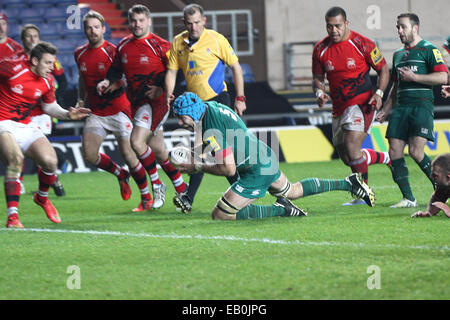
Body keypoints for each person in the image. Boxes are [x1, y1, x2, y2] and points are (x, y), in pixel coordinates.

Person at [171, 92, 375, 221]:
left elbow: (229, 169)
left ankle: (281, 209)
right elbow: (212, 142)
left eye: (181, 118)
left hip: (254, 169)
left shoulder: (211, 127)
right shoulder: (211, 108)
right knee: (292, 190)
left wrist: (196, 167)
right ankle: (349, 183)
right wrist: (195, 154)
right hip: (264, 156)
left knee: (221, 214)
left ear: (193, 112)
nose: (180, 123)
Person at [97, 4, 187, 211]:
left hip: (157, 102)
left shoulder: (161, 45)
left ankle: (157, 184)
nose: (137, 25)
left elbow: (178, 73)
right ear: (129, 22)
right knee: (158, 150)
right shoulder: (123, 47)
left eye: (141, 20)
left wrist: (161, 89)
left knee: (137, 142)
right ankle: (182, 187)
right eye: (133, 21)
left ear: (149, 21)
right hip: (137, 103)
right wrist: (106, 81)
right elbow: (115, 71)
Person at [164, 3, 245, 213]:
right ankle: (239, 193)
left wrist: (240, 97)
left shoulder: (217, 40)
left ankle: (193, 197)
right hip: (195, 108)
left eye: (197, 23)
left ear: (204, 21)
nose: (194, 27)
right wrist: (168, 93)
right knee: (207, 151)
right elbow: (172, 72)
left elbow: (236, 67)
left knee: (213, 151)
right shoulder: (178, 43)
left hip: (218, 101)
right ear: (184, 23)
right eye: (189, 24)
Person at [0, 42, 90, 228]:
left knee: (51, 161)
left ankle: (41, 198)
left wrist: (67, 114)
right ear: (34, 60)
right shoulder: (11, 68)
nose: (52, 68)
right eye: (48, 63)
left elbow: (48, 106)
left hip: (25, 124)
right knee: (16, 160)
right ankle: (13, 217)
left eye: (53, 63)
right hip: (2, 123)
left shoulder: (48, 80)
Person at [75, 10, 157, 211]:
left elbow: (129, 77)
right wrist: (80, 99)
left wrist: (116, 83)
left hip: (120, 110)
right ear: (85, 30)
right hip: (96, 112)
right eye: (89, 27)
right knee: (89, 155)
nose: (93, 31)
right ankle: (120, 174)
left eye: (96, 27)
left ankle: (146, 197)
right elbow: (82, 79)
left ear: (104, 29)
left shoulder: (114, 51)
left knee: (130, 156)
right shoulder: (79, 53)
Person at [312, 6, 390, 207]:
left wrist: (379, 93)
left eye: (338, 26)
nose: (334, 31)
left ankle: (362, 195)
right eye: (329, 27)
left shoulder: (362, 43)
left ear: (346, 24)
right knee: (347, 157)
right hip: (338, 108)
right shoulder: (320, 49)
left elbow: (383, 70)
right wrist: (319, 92)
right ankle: (383, 157)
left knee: (351, 144)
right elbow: (318, 78)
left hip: (362, 102)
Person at [376, 13, 448, 208]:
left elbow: (442, 77)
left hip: (421, 106)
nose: (399, 31)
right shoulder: (398, 54)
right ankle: (408, 198)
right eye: (397, 27)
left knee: (416, 152)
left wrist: (415, 78)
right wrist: (385, 109)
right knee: (394, 150)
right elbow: (395, 87)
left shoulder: (429, 50)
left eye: (403, 27)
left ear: (415, 28)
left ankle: (443, 191)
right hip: (400, 108)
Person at [20, 23, 68, 197]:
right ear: (23, 40)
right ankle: (24, 182)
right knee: (22, 150)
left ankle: (51, 180)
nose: (32, 39)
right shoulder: (18, 60)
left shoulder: (49, 59)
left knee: (39, 150)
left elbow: (63, 82)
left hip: (42, 112)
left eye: (35, 36)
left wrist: (54, 98)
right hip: (22, 112)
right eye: (28, 36)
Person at [411, 153, 450, 218]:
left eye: (435, 175)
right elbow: (437, 199)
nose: (431, 177)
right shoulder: (443, 186)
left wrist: (447, 209)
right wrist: (428, 213)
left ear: (448, 178)